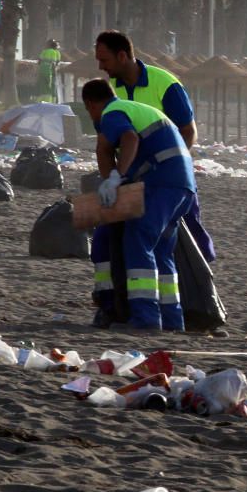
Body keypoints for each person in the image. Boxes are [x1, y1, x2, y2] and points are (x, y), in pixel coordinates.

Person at [82, 79, 196, 331]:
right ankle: (172, 320)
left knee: (138, 239)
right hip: (183, 185)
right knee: (162, 251)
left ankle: (145, 319)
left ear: (90, 104)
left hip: (161, 184)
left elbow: (129, 138)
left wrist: (115, 177)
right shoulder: (135, 109)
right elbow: (106, 149)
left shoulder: (112, 112)